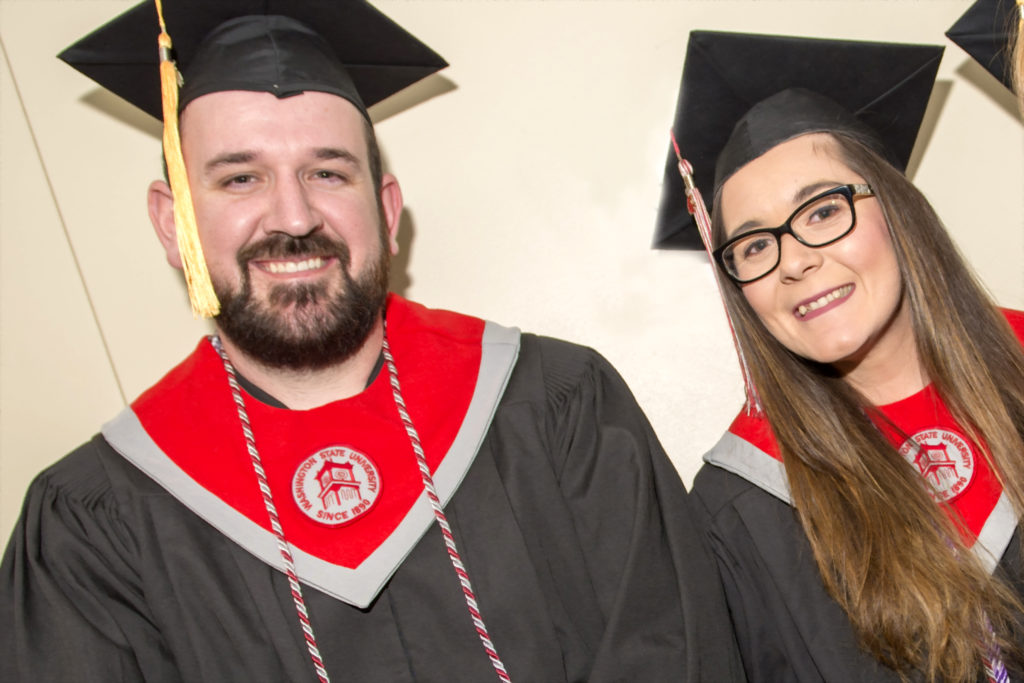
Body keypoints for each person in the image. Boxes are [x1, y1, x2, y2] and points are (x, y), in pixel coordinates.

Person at [0, 2, 743, 681]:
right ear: (175, 224)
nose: (292, 216)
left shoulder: (557, 406)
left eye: (328, 171)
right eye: (239, 180)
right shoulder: (94, 526)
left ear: (386, 211)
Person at [655, 31, 1024, 681]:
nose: (794, 260)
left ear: (899, 210)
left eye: (823, 211)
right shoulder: (742, 505)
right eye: (754, 246)